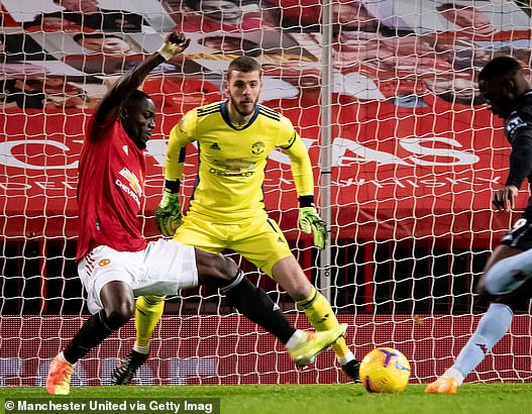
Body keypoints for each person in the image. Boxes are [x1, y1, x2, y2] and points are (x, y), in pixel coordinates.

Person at [45, 32, 346, 396]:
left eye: (154, 117)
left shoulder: (138, 157)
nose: (152, 124)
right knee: (121, 309)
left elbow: (297, 154)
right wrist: (160, 56)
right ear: (124, 112)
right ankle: (65, 362)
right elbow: (118, 92)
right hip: (102, 252)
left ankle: (295, 339)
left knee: (222, 269)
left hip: (139, 250)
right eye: (146, 116)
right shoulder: (102, 137)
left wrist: (306, 203)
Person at [111, 55, 361, 386]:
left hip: (252, 221)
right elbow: (175, 142)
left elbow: (300, 155)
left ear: (261, 87)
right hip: (203, 221)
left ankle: (348, 361)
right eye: (239, 84)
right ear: (226, 86)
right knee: (156, 286)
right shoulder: (201, 119)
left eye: (253, 85)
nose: (246, 92)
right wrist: (171, 194)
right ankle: (139, 353)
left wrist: (307, 206)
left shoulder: (275, 124)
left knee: (301, 288)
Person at [426, 56, 532, 394]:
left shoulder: (522, 112)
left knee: (490, 285)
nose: (489, 105)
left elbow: (526, 146)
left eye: (490, 95)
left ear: (509, 85)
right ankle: (453, 377)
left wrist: (513, 183)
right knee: (507, 298)